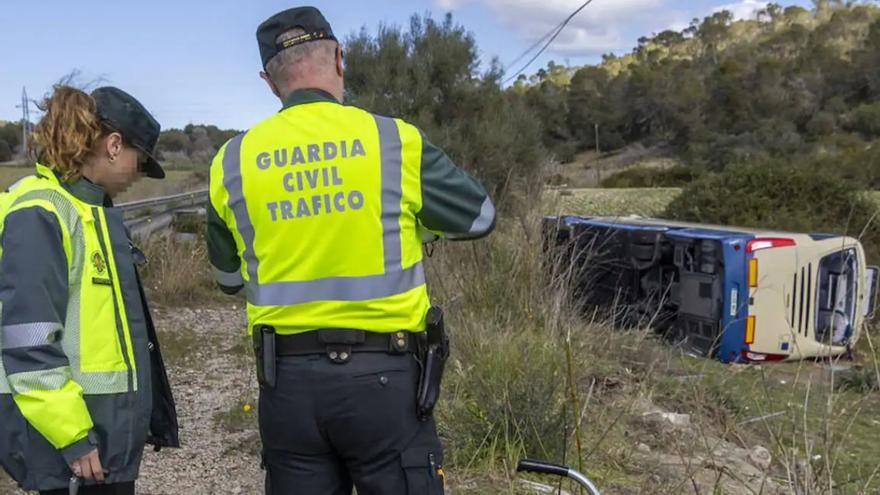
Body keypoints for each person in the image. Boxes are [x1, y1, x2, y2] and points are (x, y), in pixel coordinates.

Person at [206, 6, 495, 494]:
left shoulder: (231, 160)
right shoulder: (392, 140)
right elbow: (479, 217)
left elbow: (229, 279)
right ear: (340, 58)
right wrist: (418, 227)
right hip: (386, 380)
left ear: (269, 81)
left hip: (287, 384)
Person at [0, 85, 179, 495]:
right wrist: (73, 436)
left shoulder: (89, 211)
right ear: (114, 145)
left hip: (97, 440)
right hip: (71, 448)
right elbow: (29, 341)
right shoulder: (41, 211)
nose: (136, 175)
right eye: (140, 161)